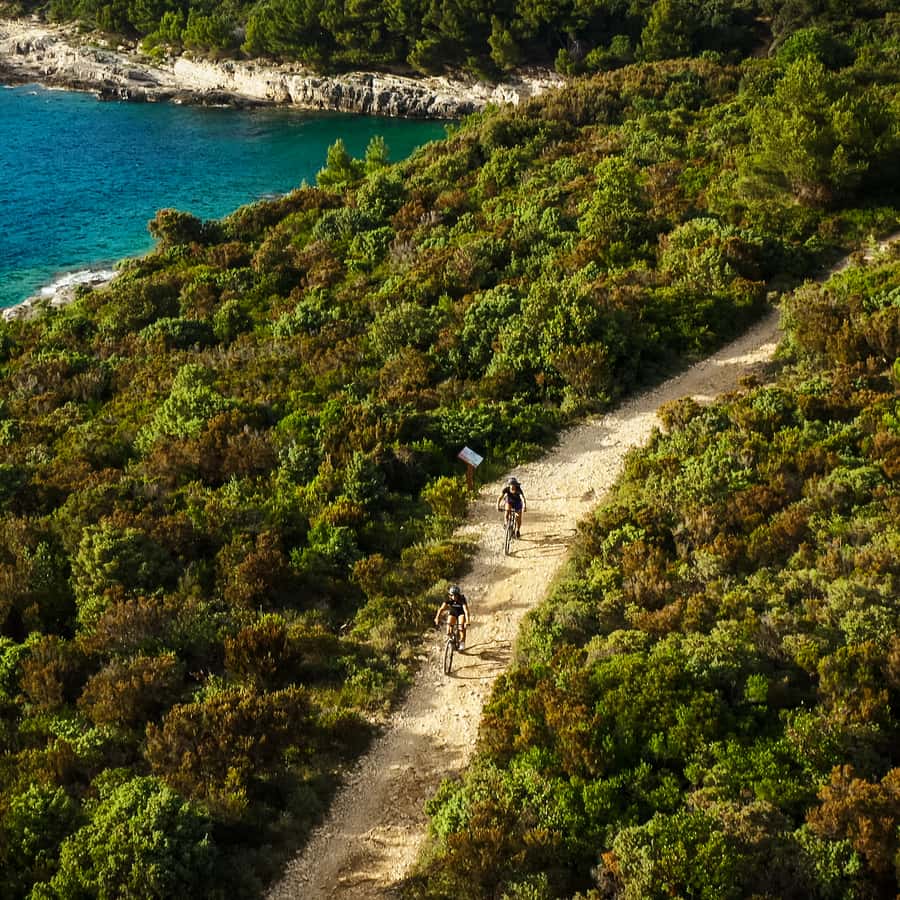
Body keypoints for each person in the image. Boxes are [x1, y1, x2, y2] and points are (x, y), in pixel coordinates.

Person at [435, 584, 470, 651]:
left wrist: (467, 621)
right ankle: (451, 641)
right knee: (448, 631)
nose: (454, 597)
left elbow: (466, 610)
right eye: (452, 595)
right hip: (453, 613)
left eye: (455, 595)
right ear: (450, 595)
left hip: (461, 613)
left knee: (461, 627)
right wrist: (437, 618)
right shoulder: (448, 599)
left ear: (458, 595)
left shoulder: (462, 599)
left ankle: (462, 643)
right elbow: (441, 609)